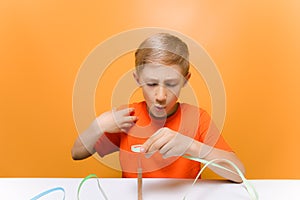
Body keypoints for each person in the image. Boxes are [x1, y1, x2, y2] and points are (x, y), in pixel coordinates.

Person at [71, 33, 245, 182]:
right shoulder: (128, 118)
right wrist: (98, 125)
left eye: (171, 83)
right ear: (138, 79)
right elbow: (77, 153)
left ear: (185, 80)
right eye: (152, 83)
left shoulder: (197, 119)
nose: (161, 96)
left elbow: (238, 174)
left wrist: (191, 146)